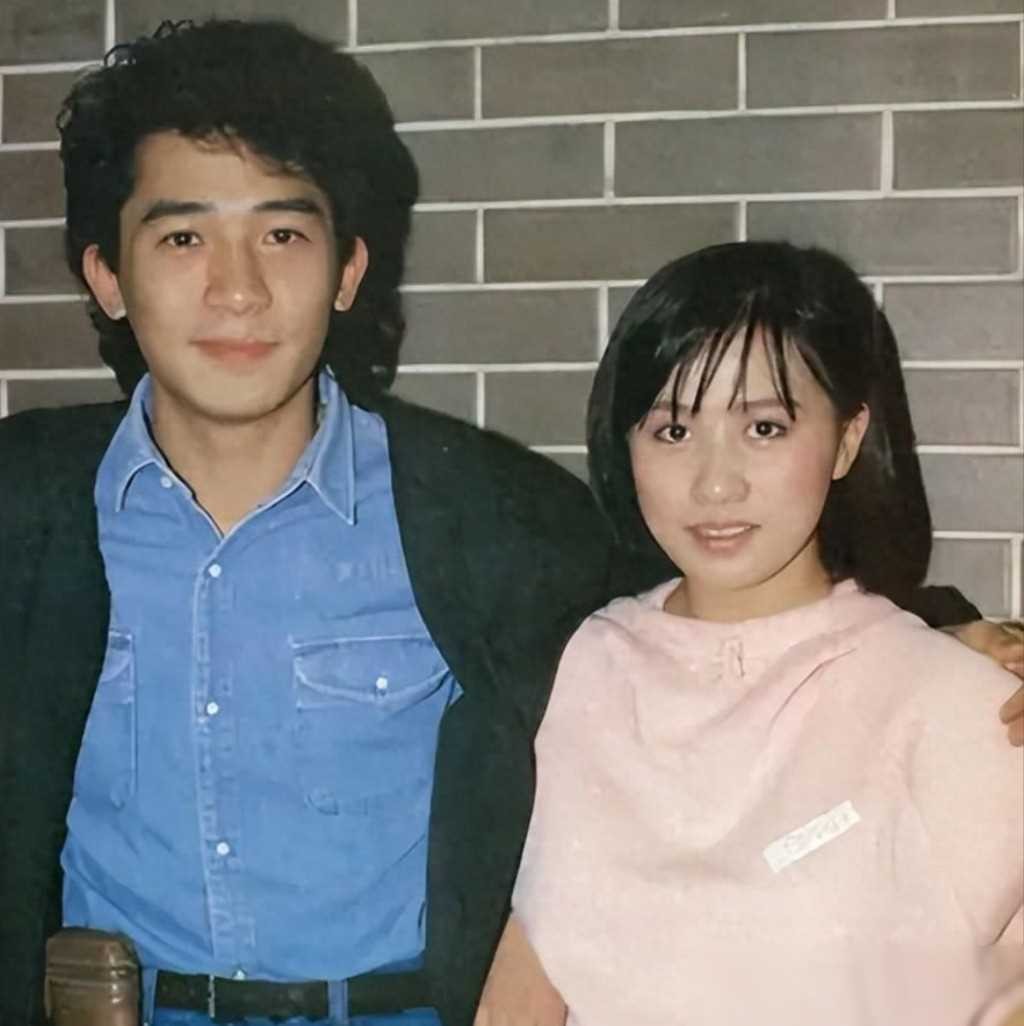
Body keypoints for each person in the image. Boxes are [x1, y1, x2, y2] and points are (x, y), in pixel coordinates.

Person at [0, 20, 1017, 1026]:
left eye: (282, 234)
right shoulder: (24, 505)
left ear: (348, 271)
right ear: (106, 275)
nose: (238, 289)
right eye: (183, 237)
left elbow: (707, 618)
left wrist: (941, 652)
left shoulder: (491, 517)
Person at [480, 242, 1024, 1026]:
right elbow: (534, 966)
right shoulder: (593, 663)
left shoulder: (955, 699)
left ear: (846, 439)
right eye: (672, 431)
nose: (714, 483)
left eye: (764, 428)